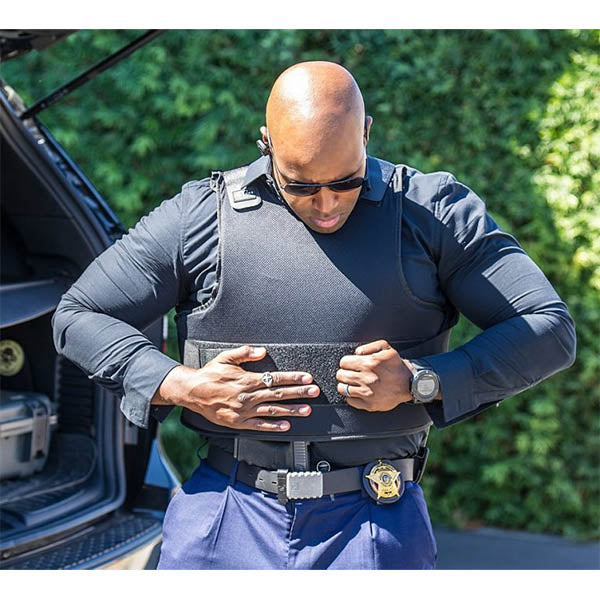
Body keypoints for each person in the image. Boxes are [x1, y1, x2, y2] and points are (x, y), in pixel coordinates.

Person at [52, 61, 576, 570]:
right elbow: (79, 315)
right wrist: (180, 384)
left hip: (373, 521)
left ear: (366, 134)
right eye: (300, 185)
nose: (326, 205)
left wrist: (421, 381)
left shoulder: (432, 211)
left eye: (346, 182)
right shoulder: (202, 215)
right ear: (267, 144)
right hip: (226, 511)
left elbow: (547, 328)